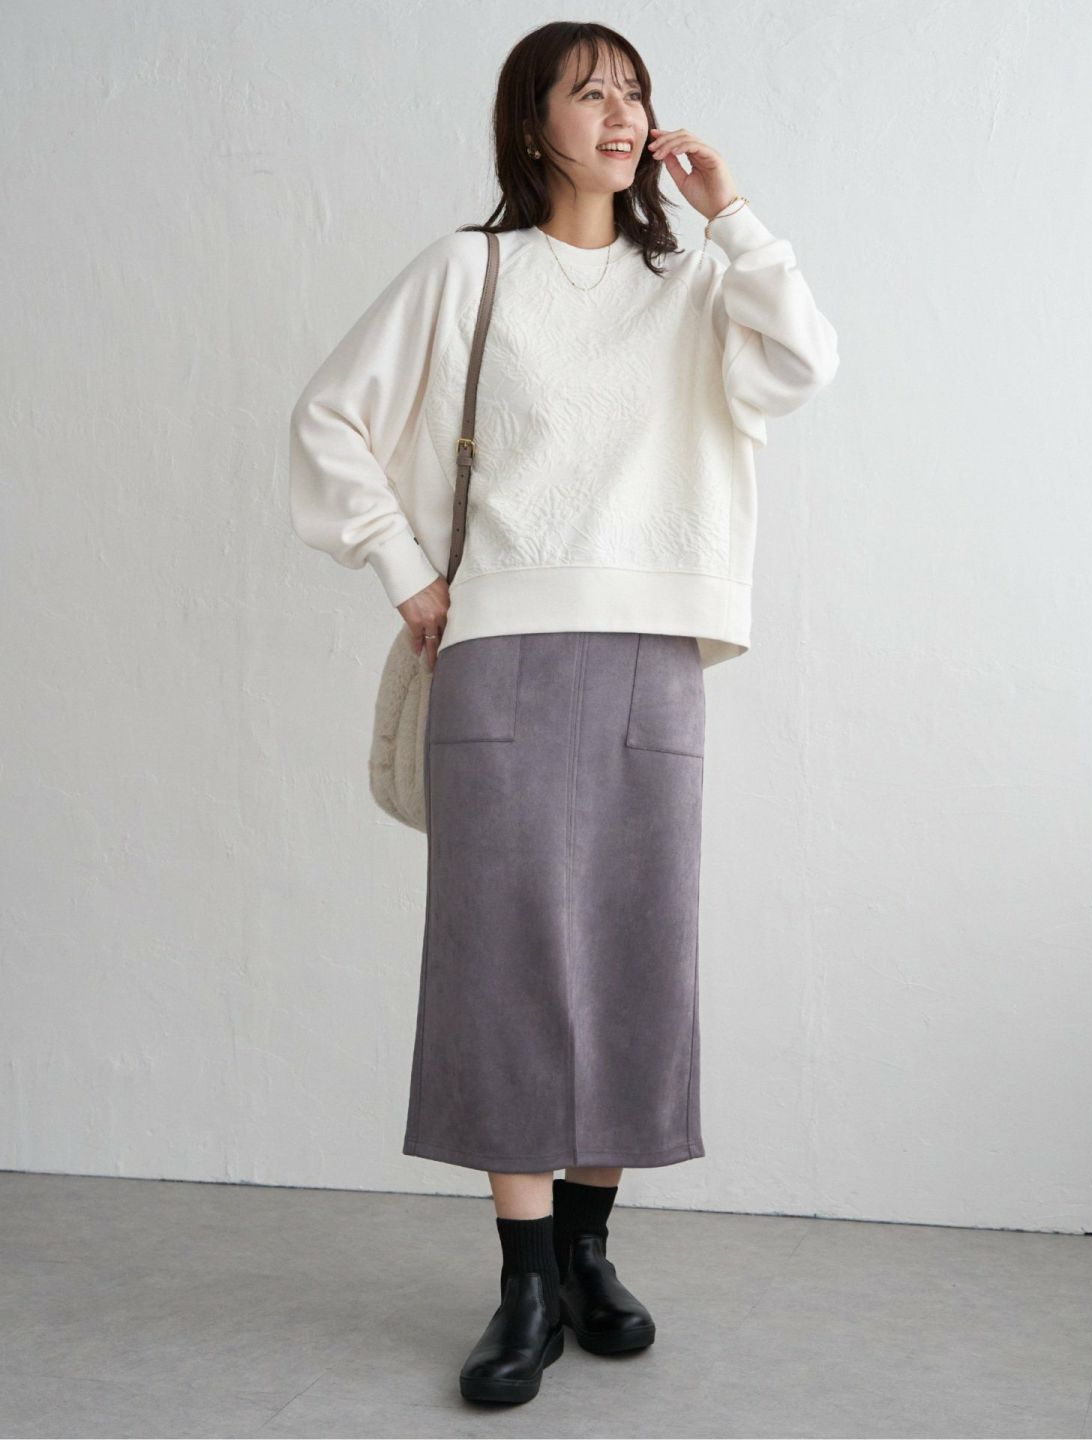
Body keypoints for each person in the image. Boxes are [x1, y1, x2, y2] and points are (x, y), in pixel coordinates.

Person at [289, 20, 839, 1408]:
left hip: (655, 649)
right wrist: (410, 575)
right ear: (531, 124)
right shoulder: (470, 271)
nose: (620, 113)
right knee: (505, 960)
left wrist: (733, 215)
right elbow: (329, 419)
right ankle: (524, 1281)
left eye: (633, 90)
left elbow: (802, 366)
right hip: (501, 648)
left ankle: (591, 1254)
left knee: (637, 950)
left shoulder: (694, 279)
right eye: (588, 92)